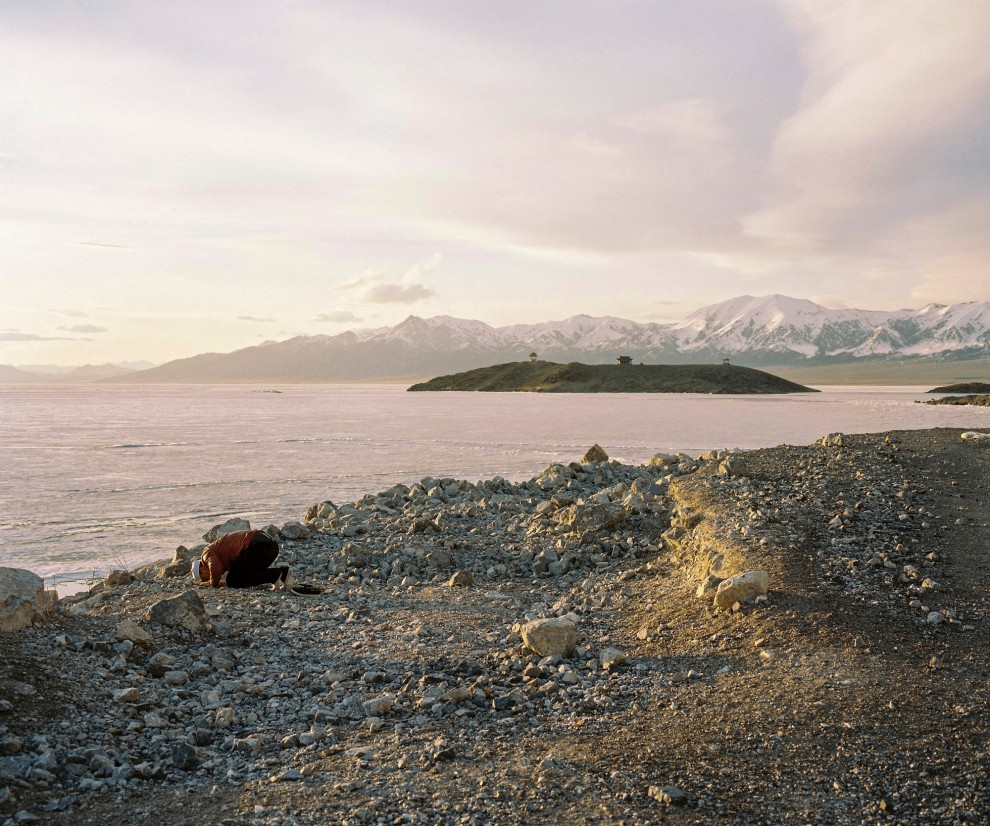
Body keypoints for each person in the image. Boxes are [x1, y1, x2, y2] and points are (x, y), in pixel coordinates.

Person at [191, 529, 320, 595]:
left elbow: (216, 568)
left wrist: (212, 583)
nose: (205, 579)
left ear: (202, 568)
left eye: (203, 577)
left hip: (258, 545)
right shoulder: (221, 552)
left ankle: (275, 575)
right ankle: (284, 573)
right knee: (243, 571)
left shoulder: (206, 553)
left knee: (233, 580)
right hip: (271, 545)